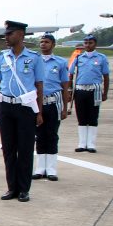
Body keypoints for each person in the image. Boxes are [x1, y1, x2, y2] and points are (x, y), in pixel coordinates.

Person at [0, 20, 45, 202]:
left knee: (24, 148)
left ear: (21, 34)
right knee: (8, 149)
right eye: (6, 34)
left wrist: (39, 112)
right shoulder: (1, 57)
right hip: (6, 106)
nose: (6, 37)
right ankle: (11, 187)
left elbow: (39, 86)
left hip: (25, 108)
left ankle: (24, 189)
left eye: (10, 34)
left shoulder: (34, 58)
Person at [32, 33, 71, 181]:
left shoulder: (60, 62)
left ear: (53, 44)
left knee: (52, 135)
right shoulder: (34, 61)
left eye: (46, 42)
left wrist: (64, 108)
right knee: (40, 135)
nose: (43, 44)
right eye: (41, 42)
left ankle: (51, 169)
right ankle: (40, 168)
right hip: (38, 103)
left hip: (53, 103)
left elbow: (64, 85)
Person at [69, 34, 111, 153]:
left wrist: (105, 92)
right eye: (86, 43)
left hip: (95, 90)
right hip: (80, 90)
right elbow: (71, 74)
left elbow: (106, 76)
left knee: (93, 116)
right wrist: (70, 90)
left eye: (90, 43)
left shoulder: (101, 58)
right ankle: (82, 143)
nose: (87, 45)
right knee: (81, 117)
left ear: (95, 44)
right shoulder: (78, 58)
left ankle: (91, 144)